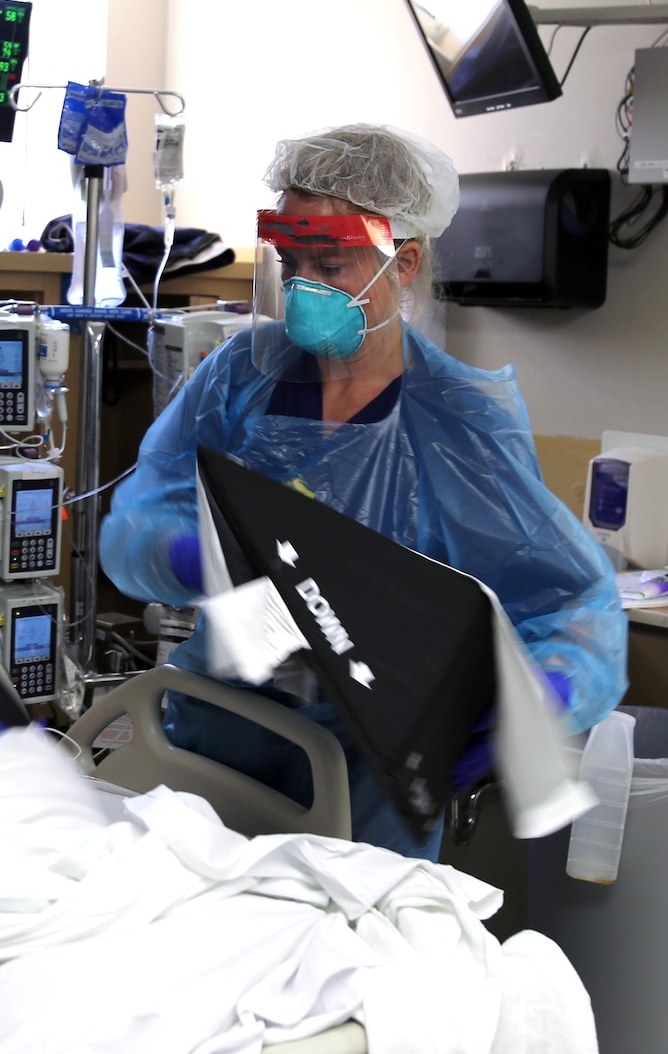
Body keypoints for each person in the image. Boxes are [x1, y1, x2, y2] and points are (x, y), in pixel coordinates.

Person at [100, 123, 627, 860]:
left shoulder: (455, 424)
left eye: (332, 261)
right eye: (292, 261)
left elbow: (572, 605)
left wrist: (544, 693)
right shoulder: (240, 379)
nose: (304, 284)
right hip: (215, 734)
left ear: (402, 263)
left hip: (368, 774)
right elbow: (140, 516)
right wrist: (193, 555)